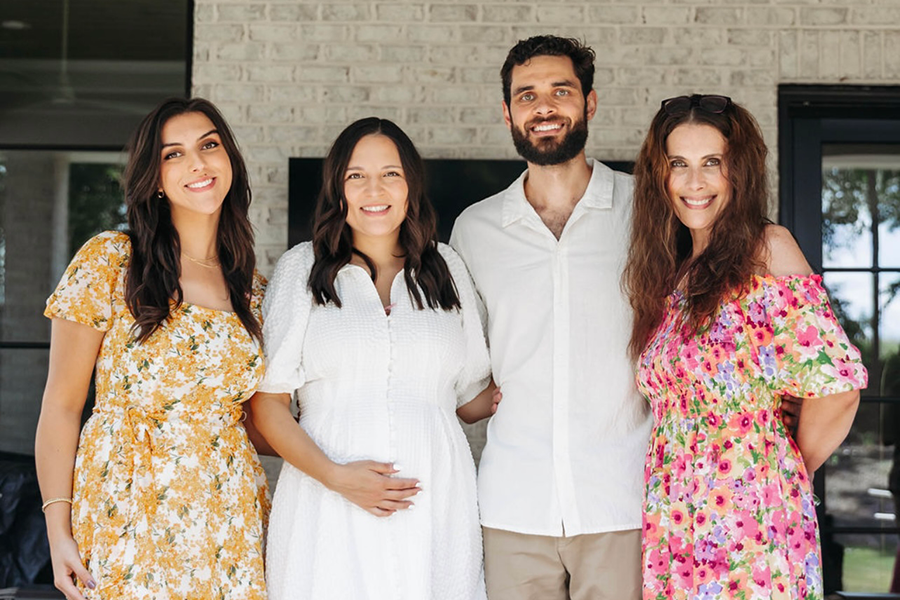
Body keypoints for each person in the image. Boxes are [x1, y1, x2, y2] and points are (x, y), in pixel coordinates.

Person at [624, 94, 868, 598]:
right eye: (678, 165)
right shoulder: (672, 274)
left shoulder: (767, 250)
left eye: (713, 163)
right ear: (660, 176)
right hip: (676, 519)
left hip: (750, 519)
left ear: (741, 171)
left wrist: (784, 467)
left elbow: (837, 386)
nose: (695, 183)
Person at [34, 97, 270, 600]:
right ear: (155, 179)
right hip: (127, 505)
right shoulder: (112, 261)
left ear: (230, 158)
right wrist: (57, 529)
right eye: (173, 154)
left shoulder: (255, 291)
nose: (197, 163)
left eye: (209, 145)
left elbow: (262, 424)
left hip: (229, 514)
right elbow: (60, 406)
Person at [250, 117, 493, 600]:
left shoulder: (447, 268)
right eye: (356, 175)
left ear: (411, 187)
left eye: (391, 174)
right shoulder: (303, 267)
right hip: (326, 497)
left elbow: (471, 398)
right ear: (337, 189)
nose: (373, 189)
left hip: (435, 499)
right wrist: (338, 478)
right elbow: (267, 404)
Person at [450, 35, 651, 599]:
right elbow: (465, 358)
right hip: (514, 505)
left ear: (589, 103)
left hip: (622, 500)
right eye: (527, 95)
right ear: (508, 113)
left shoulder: (649, 212)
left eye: (560, 91)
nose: (544, 107)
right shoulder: (474, 229)